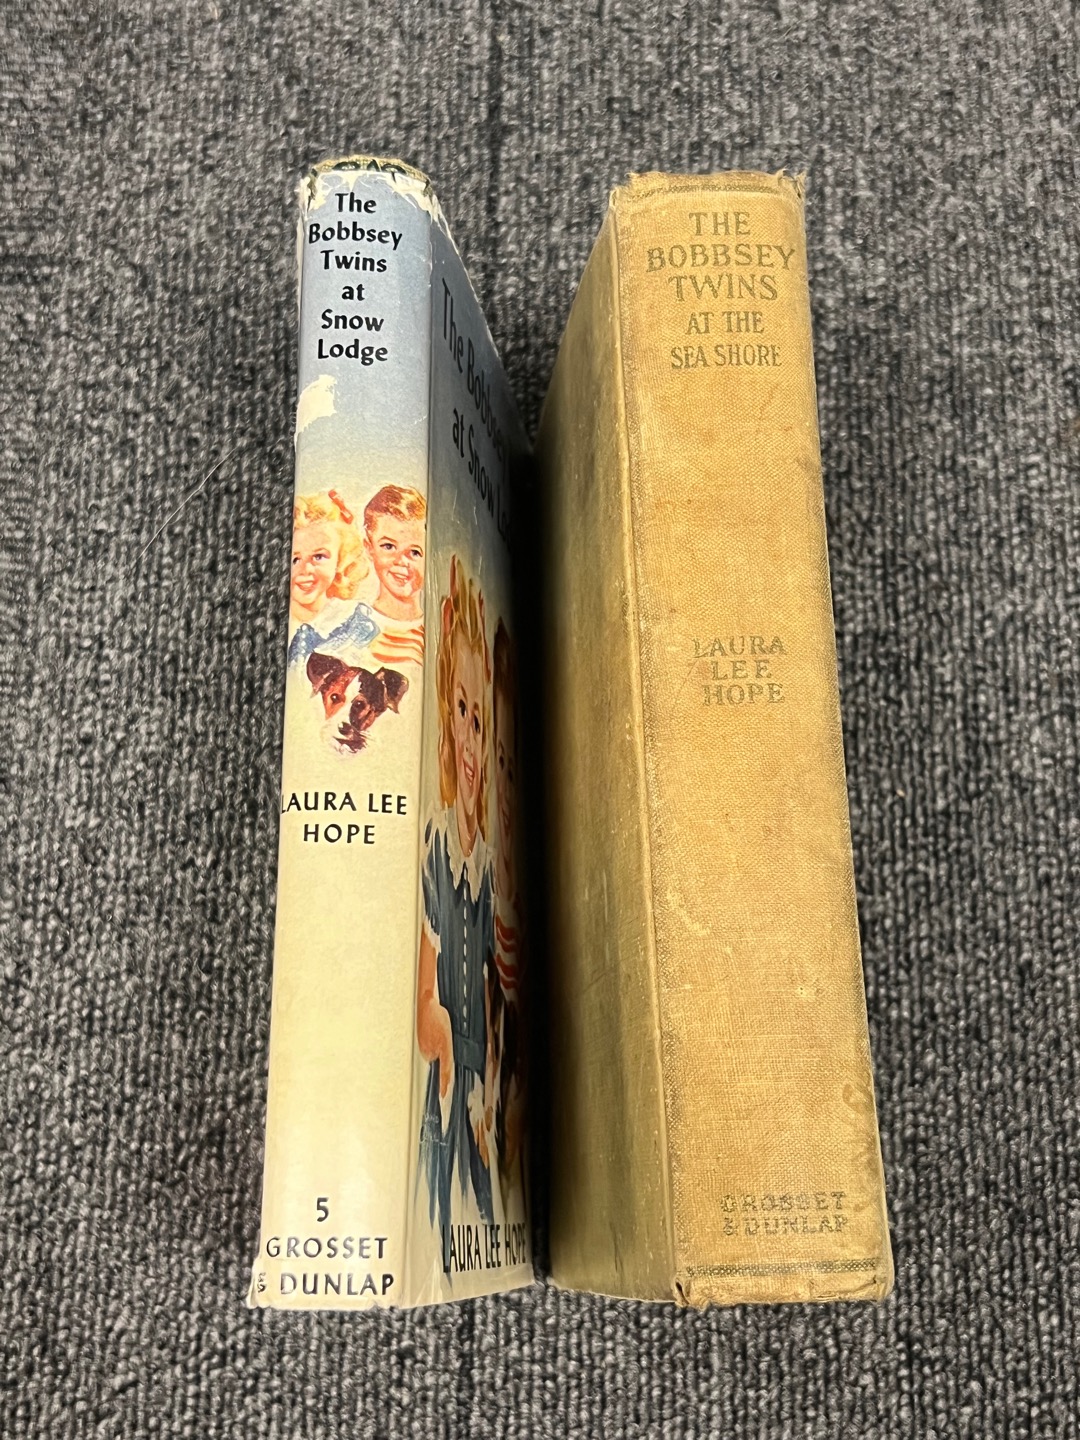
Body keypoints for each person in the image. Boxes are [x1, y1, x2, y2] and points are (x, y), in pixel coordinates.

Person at [416, 556, 495, 1255]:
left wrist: (490, 1098)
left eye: (481, 719)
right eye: (461, 712)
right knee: (440, 1211)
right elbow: (424, 999)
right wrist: (445, 1051)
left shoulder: (488, 865)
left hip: (480, 1098)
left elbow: (495, 989)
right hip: (446, 1093)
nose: (470, 738)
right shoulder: (438, 846)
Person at [287, 490, 377, 668]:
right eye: (295, 559)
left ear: (340, 560)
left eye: (319, 557)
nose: (306, 570)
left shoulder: (353, 621)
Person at [362, 485, 426, 669]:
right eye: (388, 547)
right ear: (369, 548)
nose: (401, 562)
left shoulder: (437, 634)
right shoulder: (353, 631)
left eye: (414, 552)